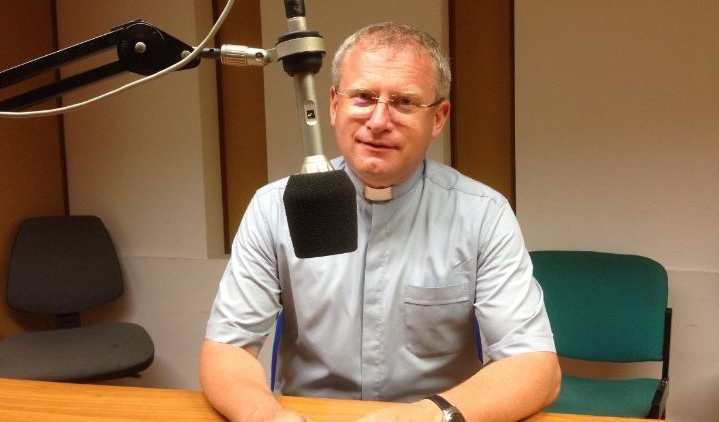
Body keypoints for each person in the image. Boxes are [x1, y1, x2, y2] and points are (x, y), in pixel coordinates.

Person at [201, 22, 560, 422]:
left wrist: (421, 418)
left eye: (404, 102)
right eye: (363, 97)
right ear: (333, 106)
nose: (378, 121)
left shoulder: (483, 215)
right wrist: (265, 416)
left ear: (438, 118)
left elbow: (535, 367)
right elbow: (227, 347)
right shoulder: (274, 208)